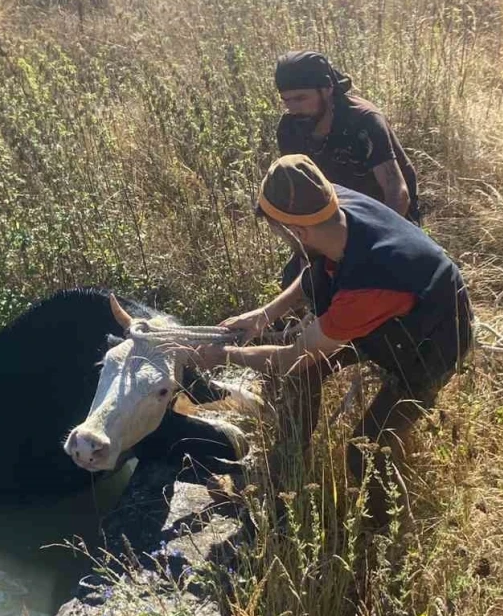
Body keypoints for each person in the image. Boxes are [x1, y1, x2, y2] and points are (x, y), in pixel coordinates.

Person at [195, 155, 472, 527]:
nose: (280, 239)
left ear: (299, 232)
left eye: (280, 232)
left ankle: (388, 538)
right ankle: (289, 466)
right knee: (303, 374)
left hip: (430, 341)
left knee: (366, 450)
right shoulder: (328, 205)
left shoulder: (366, 286)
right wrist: (264, 315)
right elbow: (314, 265)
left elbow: (290, 356)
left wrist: (224, 355)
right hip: (386, 315)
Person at [275, 50, 421, 224]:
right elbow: (297, 187)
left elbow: (397, 193)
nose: (293, 108)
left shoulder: (364, 121)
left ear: (327, 89)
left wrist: (376, 239)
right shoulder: (289, 128)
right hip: (337, 219)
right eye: (286, 100)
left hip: (389, 217)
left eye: (301, 98)